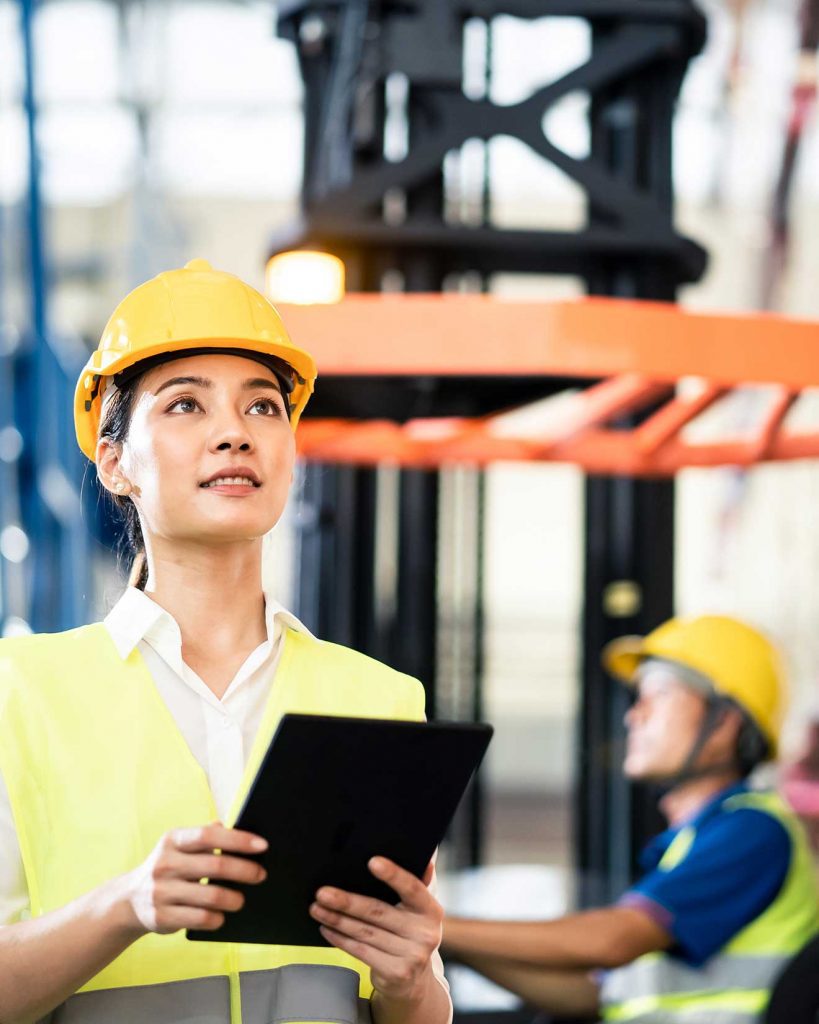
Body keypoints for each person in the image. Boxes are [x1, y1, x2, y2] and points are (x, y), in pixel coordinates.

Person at [0, 259, 452, 1024]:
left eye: (264, 408)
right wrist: (124, 905)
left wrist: (411, 979)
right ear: (115, 463)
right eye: (184, 405)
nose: (235, 433)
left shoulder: (379, 699)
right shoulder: (21, 692)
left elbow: (410, 1009)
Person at [443, 615, 819, 1023]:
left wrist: (438, 925)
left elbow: (612, 941)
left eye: (658, 695)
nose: (633, 716)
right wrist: (442, 941)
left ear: (725, 722)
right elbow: (591, 995)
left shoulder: (752, 831)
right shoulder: (689, 845)